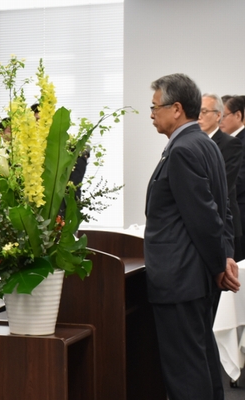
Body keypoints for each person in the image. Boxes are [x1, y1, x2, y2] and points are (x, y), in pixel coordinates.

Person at [145, 73, 240, 400]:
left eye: (155, 106)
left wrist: (219, 265)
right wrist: (224, 258)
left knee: (185, 371)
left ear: (177, 108)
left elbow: (204, 218)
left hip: (179, 277)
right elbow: (223, 211)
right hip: (195, 276)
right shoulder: (206, 144)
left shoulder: (184, 149)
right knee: (201, 362)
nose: (152, 113)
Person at [198, 94, 243, 262]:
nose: (199, 116)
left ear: (218, 115)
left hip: (224, 222)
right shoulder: (193, 142)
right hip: (201, 224)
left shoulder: (231, 143)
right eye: (197, 111)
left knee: (229, 282)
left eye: (204, 111)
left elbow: (223, 184)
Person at [221, 95, 245, 262]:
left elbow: (239, 180)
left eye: (223, 115)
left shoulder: (239, 142)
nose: (219, 120)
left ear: (238, 115)